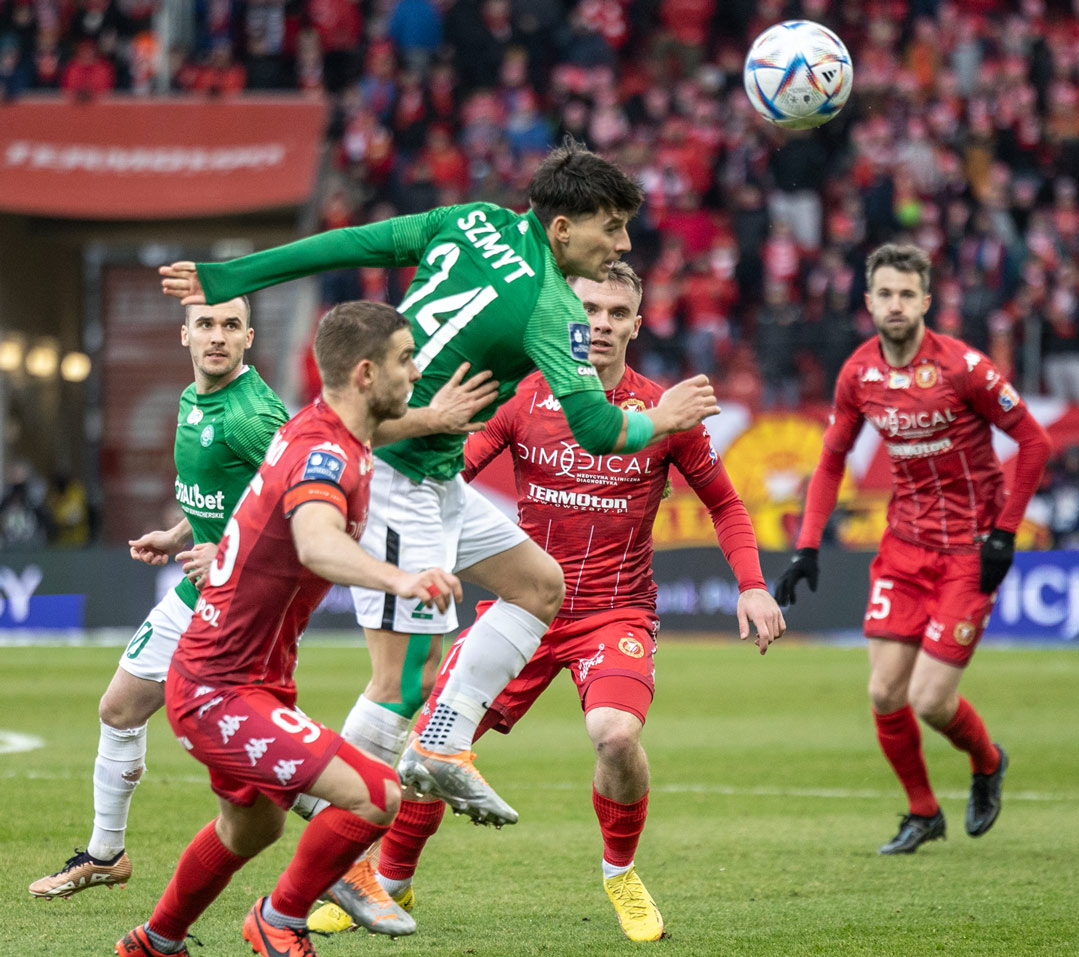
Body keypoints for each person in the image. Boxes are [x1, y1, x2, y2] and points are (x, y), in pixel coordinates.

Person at [158, 138, 718, 867]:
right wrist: (663, 419)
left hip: (431, 468)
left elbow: (351, 242)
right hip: (393, 474)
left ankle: (444, 741)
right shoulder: (552, 310)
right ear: (561, 229)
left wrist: (227, 273)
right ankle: (336, 862)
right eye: (611, 226)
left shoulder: (472, 218)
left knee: (540, 585)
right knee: (401, 682)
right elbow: (601, 428)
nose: (623, 241)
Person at [312, 261, 785, 942]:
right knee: (431, 748)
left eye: (616, 313)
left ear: (636, 324)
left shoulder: (664, 411)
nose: (600, 324)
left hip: (613, 613)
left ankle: (620, 874)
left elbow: (725, 501)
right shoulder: (525, 397)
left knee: (616, 736)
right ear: (567, 313)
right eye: (588, 308)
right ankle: (391, 883)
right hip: (524, 611)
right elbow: (450, 473)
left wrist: (752, 582)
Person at [27, 298, 495, 903]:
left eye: (229, 327)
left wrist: (221, 546)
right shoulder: (192, 399)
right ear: (185, 335)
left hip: (243, 601)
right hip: (201, 586)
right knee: (120, 710)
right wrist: (181, 535)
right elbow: (243, 490)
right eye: (205, 326)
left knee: (257, 761)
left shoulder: (253, 413)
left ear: (249, 336)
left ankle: (350, 853)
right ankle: (106, 854)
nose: (216, 337)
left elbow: (305, 484)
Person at [113, 301, 463, 957]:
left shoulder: (319, 426)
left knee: (252, 828)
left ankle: (157, 941)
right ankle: (280, 918)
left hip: (246, 677)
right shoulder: (326, 451)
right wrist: (402, 579)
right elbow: (315, 541)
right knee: (376, 795)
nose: (416, 371)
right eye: (404, 360)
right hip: (219, 689)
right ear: (366, 374)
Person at [774, 244, 1053, 855]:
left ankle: (986, 762)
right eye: (885, 294)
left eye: (907, 294)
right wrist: (808, 548)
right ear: (868, 302)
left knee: (930, 699)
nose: (895, 304)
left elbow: (1034, 443)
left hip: (969, 553)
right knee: (883, 692)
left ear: (926, 302)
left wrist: (1005, 532)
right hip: (903, 546)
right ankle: (923, 812)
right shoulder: (858, 374)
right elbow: (830, 461)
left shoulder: (965, 368)